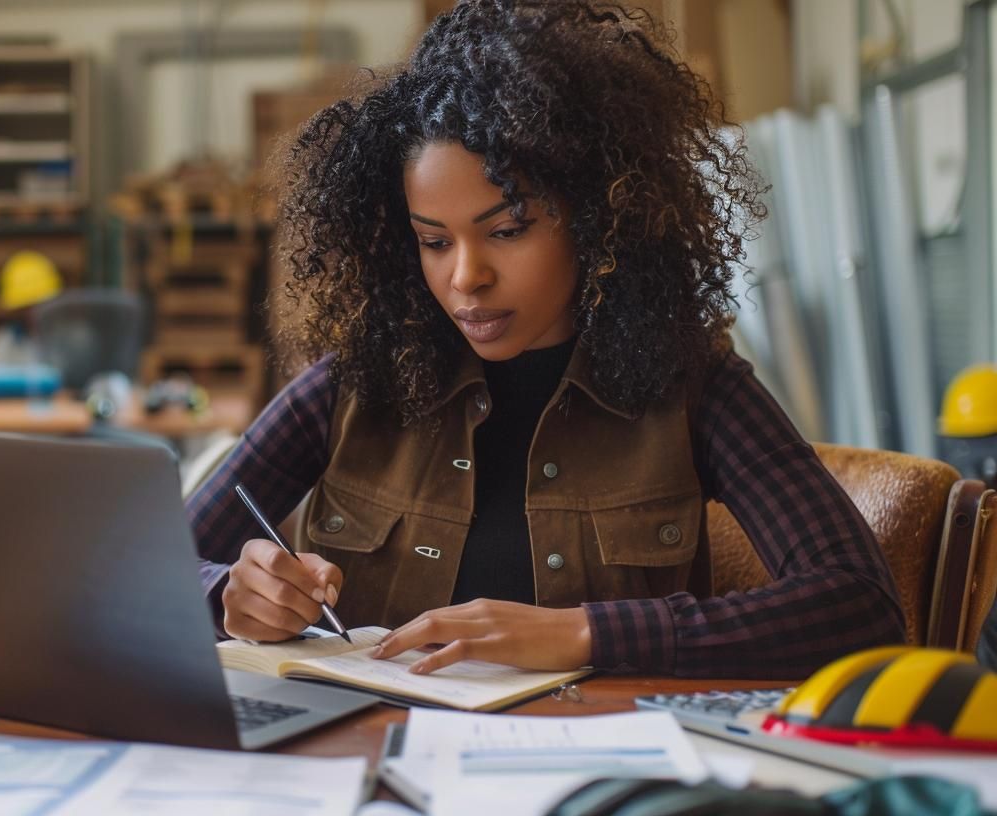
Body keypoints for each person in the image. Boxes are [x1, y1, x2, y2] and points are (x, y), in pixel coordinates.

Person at [187, 0, 906, 679]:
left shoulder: (692, 386)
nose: (466, 277)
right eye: (433, 241)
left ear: (597, 218)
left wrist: (584, 633)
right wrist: (230, 593)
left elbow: (859, 604)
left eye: (507, 231)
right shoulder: (354, 384)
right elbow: (139, 571)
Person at [0, 250, 61, 367]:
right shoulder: (5, 341)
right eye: (26, 307)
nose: (33, 313)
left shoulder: (69, 340)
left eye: (38, 305)